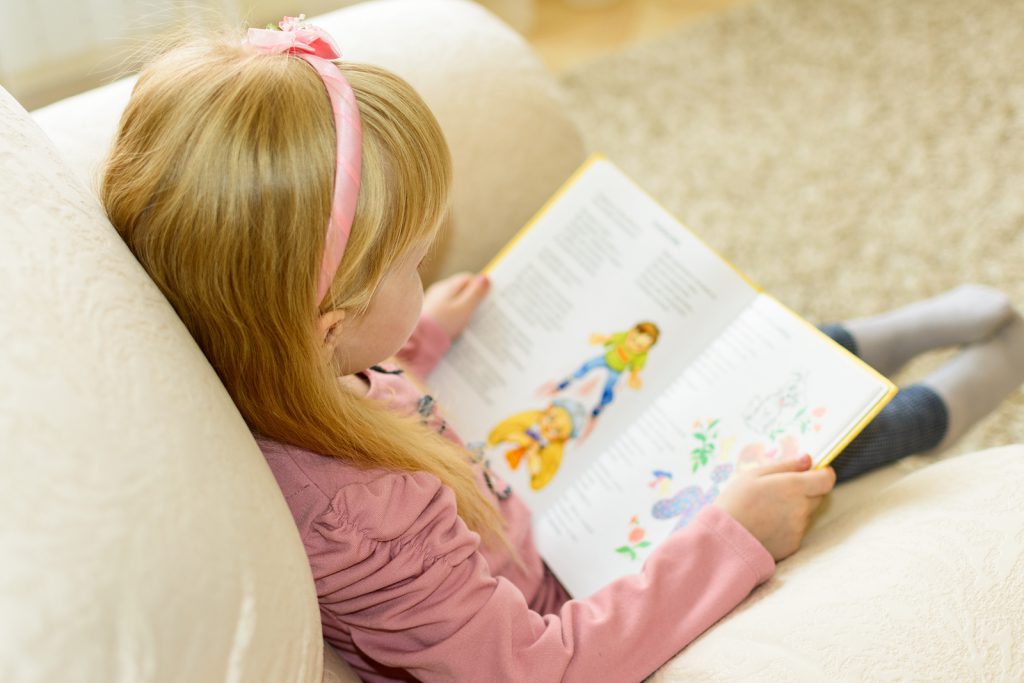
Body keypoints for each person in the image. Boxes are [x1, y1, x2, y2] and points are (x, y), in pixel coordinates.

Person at [100, 17, 1024, 682]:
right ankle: (956, 398)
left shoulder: (280, 359)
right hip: (571, 582)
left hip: (514, 486)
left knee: (701, 364)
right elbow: (540, 667)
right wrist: (733, 536)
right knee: (798, 449)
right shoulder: (363, 530)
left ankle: (876, 335)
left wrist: (418, 333)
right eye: (414, 261)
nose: (432, 261)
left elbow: (351, 377)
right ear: (327, 315)